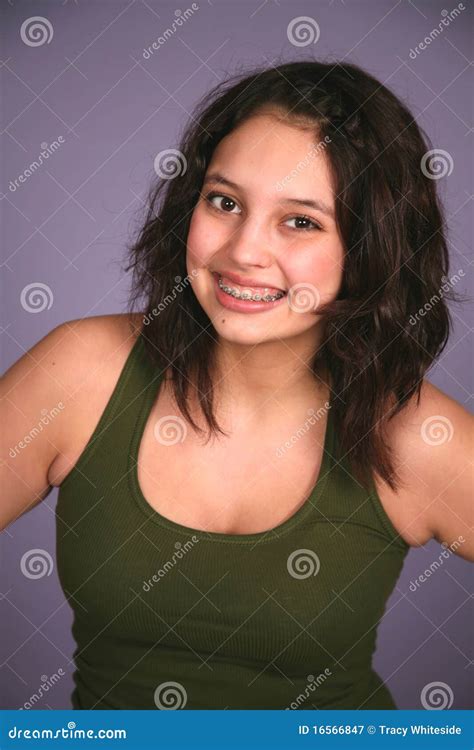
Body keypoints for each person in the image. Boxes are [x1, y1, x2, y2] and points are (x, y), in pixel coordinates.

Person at [2, 60, 473, 711]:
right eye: (224, 202)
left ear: (370, 247)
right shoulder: (83, 370)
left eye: (300, 221)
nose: (243, 250)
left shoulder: (417, 436)